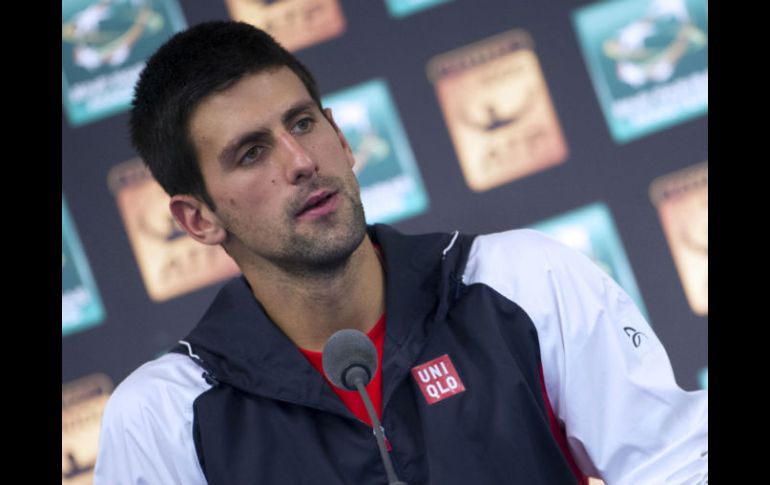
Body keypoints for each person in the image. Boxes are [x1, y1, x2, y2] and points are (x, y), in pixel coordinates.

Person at [93, 20, 708, 485]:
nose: (301, 162)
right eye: (251, 153)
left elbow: (673, 466)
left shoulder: (524, 280)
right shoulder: (163, 416)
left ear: (339, 135)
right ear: (197, 219)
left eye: (303, 124)